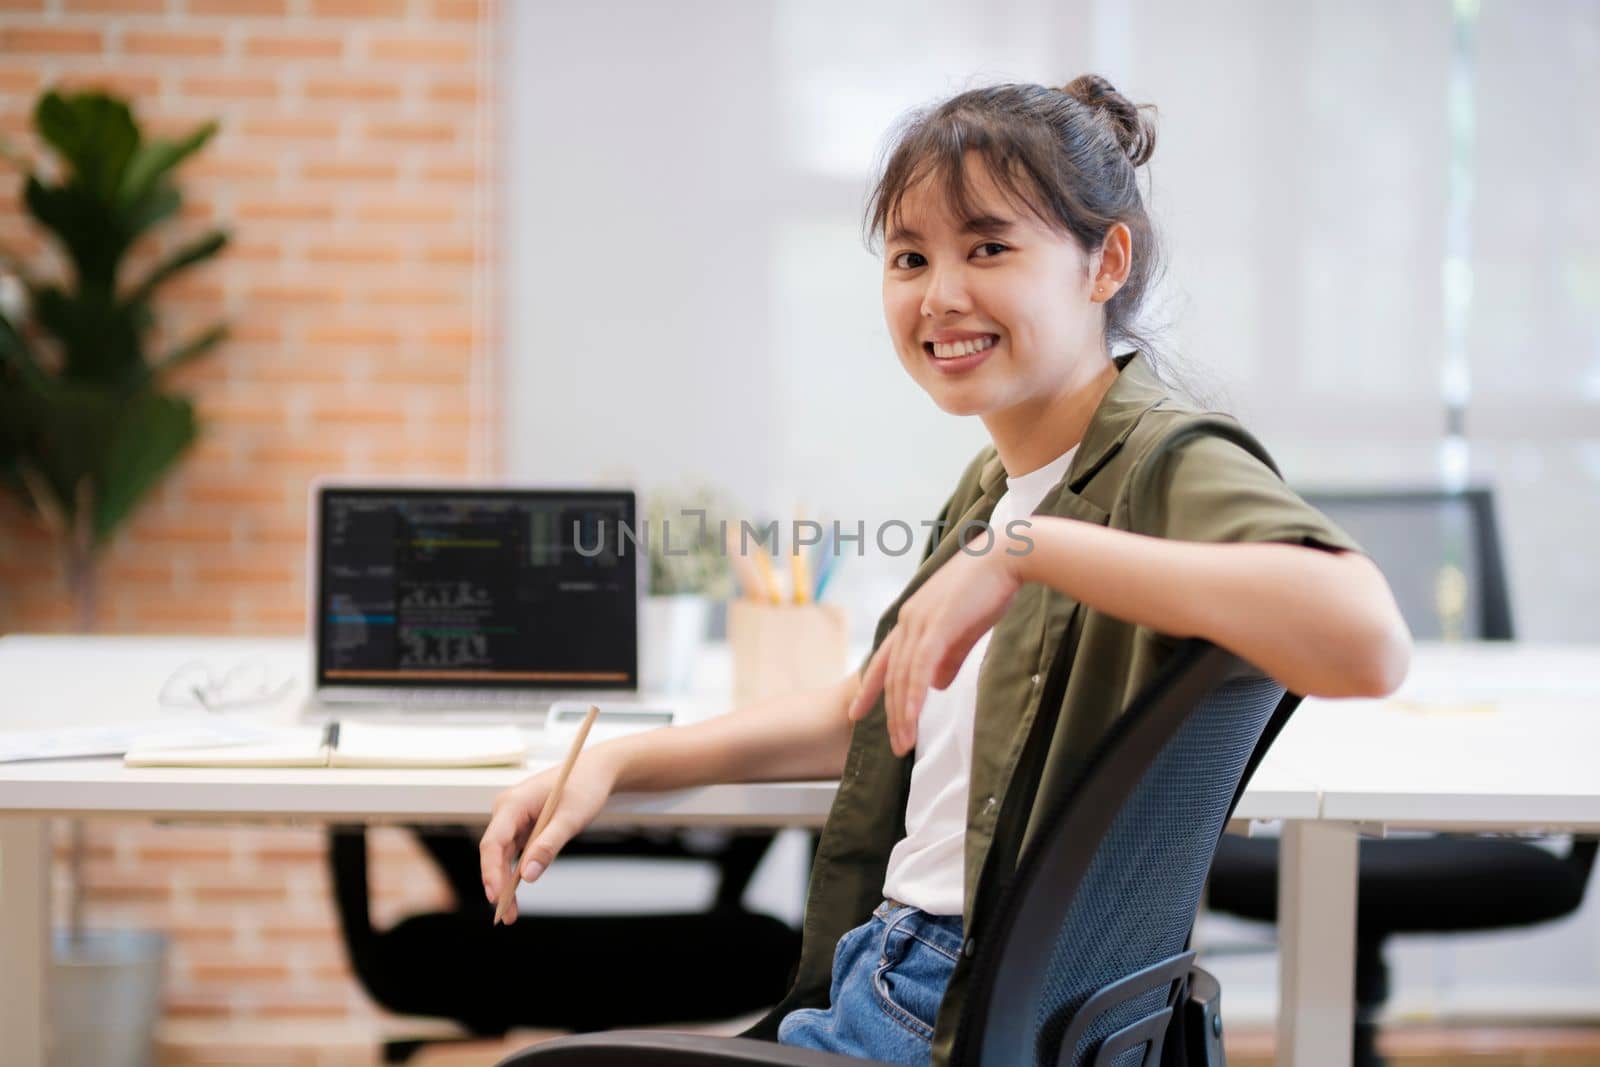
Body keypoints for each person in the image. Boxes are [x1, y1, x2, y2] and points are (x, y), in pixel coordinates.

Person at [480, 74, 1411, 1066]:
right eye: (910, 256)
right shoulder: (995, 478)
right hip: (919, 984)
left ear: (1107, 263)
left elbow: (1367, 640)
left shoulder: (1164, 459)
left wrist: (1025, 550)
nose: (939, 294)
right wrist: (620, 761)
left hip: (936, 1006)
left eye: (989, 248)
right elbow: (876, 710)